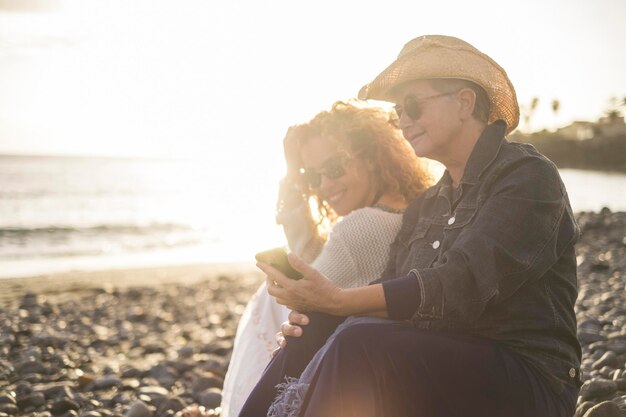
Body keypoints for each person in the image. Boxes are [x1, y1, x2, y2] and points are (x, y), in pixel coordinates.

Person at [253, 35, 581, 417]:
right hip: (438, 362)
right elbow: (391, 289)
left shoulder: (527, 177)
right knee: (314, 329)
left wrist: (339, 300)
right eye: (398, 113)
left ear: (464, 102)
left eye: (412, 106)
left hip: (528, 377)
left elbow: (463, 283)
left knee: (358, 340)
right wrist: (319, 315)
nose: (403, 122)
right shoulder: (427, 205)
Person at [219, 101, 431, 417]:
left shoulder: (362, 225)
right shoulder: (411, 209)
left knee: (269, 296)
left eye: (334, 169)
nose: (325, 187)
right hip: (384, 355)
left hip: (353, 356)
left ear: (371, 158)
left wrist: (291, 175)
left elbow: (304, 290)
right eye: (315, 177)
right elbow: (315, 257)